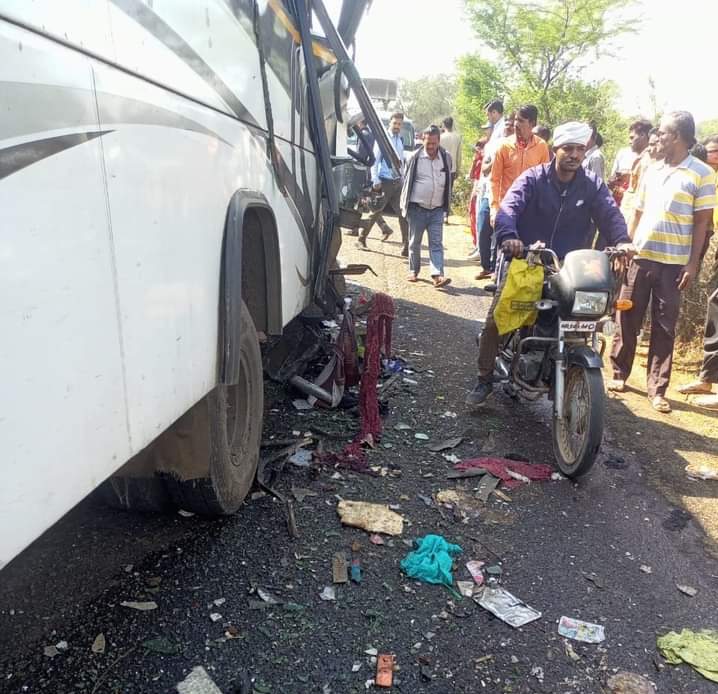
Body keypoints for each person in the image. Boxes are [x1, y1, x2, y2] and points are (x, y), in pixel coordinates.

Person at [465, 122, 632, 406]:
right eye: (568, 148)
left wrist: (623, 241)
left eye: (580, 149)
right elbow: (509, 208)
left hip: (571, 267)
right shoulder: (533, 179)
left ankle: (564, 368)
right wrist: (510, 237)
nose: (574, 155)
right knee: (497, 320)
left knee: (580, 321)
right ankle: (484, 379)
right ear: (556, 149)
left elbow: (609, 212)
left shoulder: (591, 184)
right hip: (528, 260)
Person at [609, 112, 716, 413]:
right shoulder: (651, 169)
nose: (658, 137)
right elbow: (638, 212)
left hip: (674, 264)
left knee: (664, 326)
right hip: (640, 256)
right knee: (627, 316)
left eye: (664, 133)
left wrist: (692, 264)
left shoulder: (701, 173)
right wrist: (624, 245)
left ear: (678, 137)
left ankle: (657, 389)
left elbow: (701, 224)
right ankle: (619, 373)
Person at [676, 133, 718, 409]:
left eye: (714, 152)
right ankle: (708, 377)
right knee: (714, 307)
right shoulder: (710, 178)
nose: (710, 156)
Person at [400, 125, 453, 288]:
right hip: (417, 209)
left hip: (437, 209)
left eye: (434, 143)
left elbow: (450, 178)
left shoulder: (446, 157)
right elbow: (406, 180)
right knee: (415, 242)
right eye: (428, 143)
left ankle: (437, 275)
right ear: (423, 140)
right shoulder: (414, 158)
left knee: (436, 243)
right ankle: (413, 271)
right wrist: (405, 205)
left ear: (439, 141)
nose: (430, 147)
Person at [357, 111, 409, 255]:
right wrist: (376, 180)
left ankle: (406, 246)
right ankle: (361, 239)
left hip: (397, 182)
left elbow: (400, 163)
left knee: (403, 214)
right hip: (384, 182)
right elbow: (375, 160)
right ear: (390, 123)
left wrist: (403, 178)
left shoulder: (400, 140)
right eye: (395, 123)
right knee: (375, 212)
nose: (397, 126)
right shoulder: (383, 139)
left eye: (399, 124)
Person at [489, 104, 551, 225]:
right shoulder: (504, 146)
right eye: (516, 119)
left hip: (530, 213)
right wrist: (494, 209)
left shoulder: (541, 146)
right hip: (506, 211)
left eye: (521, 121)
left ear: (532, 124)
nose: (516, 124)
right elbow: (494, 180)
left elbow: (545, 181)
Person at [609, 119, 652, 208]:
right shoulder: (623, 154)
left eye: (632, 137)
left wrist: (624, 192)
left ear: (643, 135)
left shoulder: (652, 159)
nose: (629, 141)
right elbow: (612, 180)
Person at [440, 116, 462, 184]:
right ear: (452, 124)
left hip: (441, 169)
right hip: (452, 169)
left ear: (444, 124)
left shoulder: (441, 137)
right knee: (449, 191)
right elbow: (459, 156)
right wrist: (458, 169)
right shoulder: (457, 137)